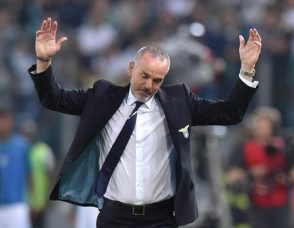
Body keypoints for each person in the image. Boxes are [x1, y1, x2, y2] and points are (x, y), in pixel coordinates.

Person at [27, 18, 261, 227]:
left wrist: (247, 70)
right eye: (144, 76)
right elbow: (53, 98)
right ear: (131, 69)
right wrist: (44, 60)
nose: (149, 85)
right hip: (114, 217)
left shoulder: (180, 101)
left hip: (161, 218)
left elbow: (230, 113)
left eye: (157, 80)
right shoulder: (102, 97)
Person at [19, 120, 55, 228]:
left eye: (30, 133)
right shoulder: (19, 150)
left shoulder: (44, 150)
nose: (28, 136)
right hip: (22, 201)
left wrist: (48, 196)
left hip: (40, 200)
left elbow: (51, 174)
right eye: (25, 133)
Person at [0, 106, 31, 228]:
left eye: (5, 120)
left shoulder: (22, 146)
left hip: (17, 205)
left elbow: (29, 174)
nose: (3, 124)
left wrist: (32, 200)